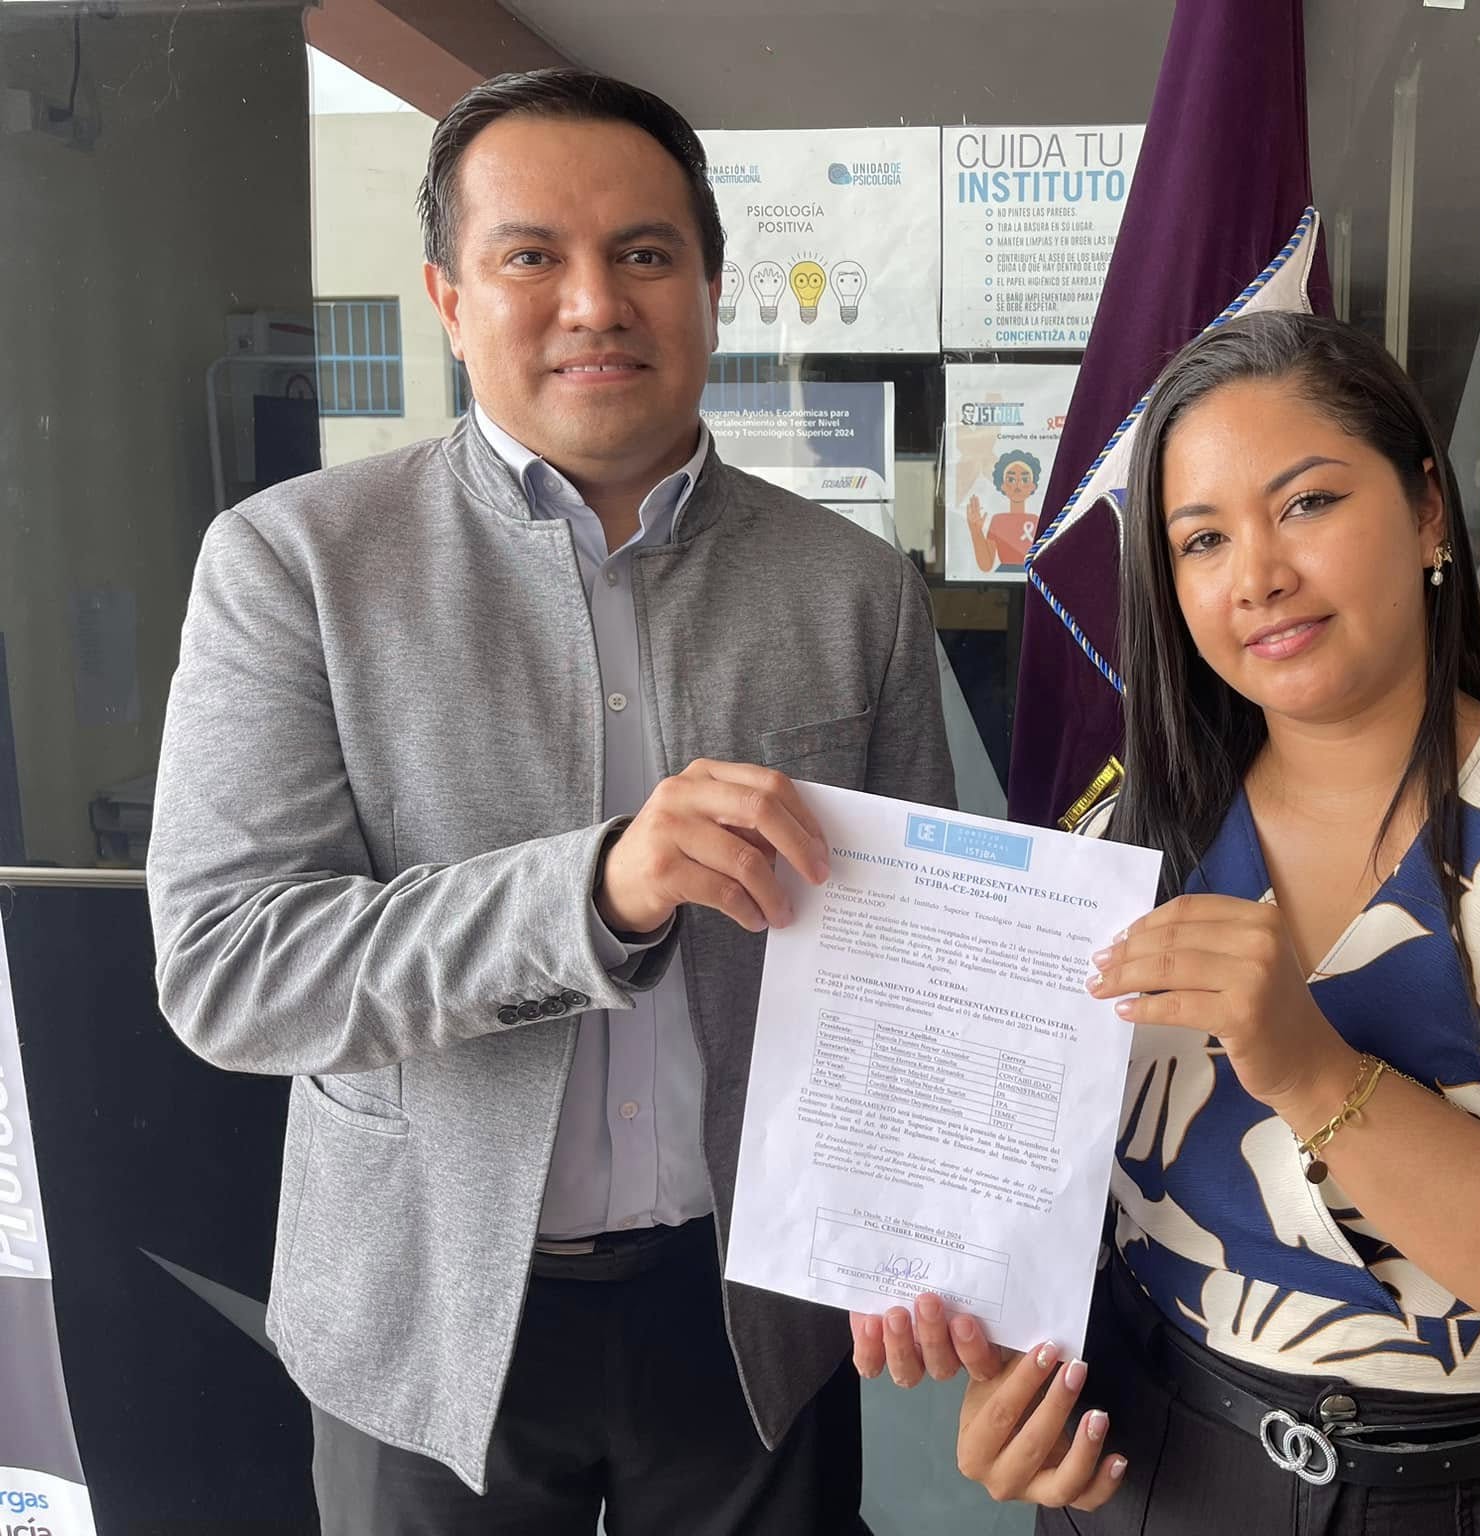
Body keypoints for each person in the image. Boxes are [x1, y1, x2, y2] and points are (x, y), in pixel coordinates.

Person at [864, 312, 1480, 1533]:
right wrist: (1022, 1381)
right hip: (1162, 1474)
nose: (1256, 575)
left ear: (1428, 510)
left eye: (1307, 503)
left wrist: (1319, 1076)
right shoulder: (1124, 842)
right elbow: (1067, 1214)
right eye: (1201, 539)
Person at [147, 68, 951, 1534]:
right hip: (426, 1309)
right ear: (450, 301)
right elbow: (231, 969)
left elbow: (905, 978)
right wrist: (595, 893)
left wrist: (933, 1228)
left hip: (747, 1314)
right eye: (532, 256)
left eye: (644, 253)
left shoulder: (852, 588)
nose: (595, 302)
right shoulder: (295, 563)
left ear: (709, 289)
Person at [966, 447, 1044, 573]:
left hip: (1031, 575)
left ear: (1032, 486)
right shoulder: (998, 520)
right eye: (1011, 480)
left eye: (1024, 480)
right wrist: (976, 531)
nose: (1018, 485)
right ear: (1003, 486)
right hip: (1003, 574)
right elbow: (986, 565)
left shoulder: (1036, 520)